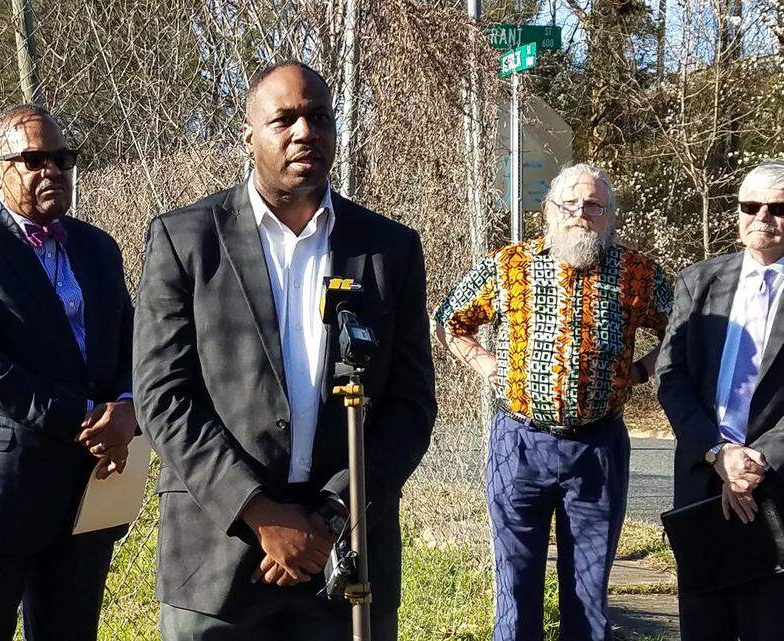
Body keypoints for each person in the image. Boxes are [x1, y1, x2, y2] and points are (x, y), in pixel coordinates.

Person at [133, 61, 437, 641]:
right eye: (285, 119)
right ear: (249, 136)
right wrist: (262, 515)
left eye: (319, 117)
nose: (305, 133)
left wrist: (329, 516)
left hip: (343, 560)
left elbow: (411, 404)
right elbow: (162, 397)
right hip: (217, 560)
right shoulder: (186, 239)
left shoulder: (387, 249)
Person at [0, 104, 136, 641]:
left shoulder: (98, 248)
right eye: (34, 159)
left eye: (62, 158)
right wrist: (86, 416)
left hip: (89, 489)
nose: (52, 170)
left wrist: (129, 407)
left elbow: (131, 341)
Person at [432, 164, 673, 641]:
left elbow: (680, 328)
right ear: (550, 210)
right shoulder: (508, 265)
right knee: (515, 582)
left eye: (593, 206)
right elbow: (448, 318)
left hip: (598, 447)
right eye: (570, 204)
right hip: (517, 444)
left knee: (588, 590)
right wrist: (486, 364)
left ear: (609, 216)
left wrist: (642, 371)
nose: (580, 214)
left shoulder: (636, 272)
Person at [655, 159, 784, 641]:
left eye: (777, 207)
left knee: (769, 623)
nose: (763, 217)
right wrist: (718, 453)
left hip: (777, 485)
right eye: (751, 206)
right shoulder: (698, 281)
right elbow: (672, 376)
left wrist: (755, 463)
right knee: (703, 623)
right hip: (702, 482)